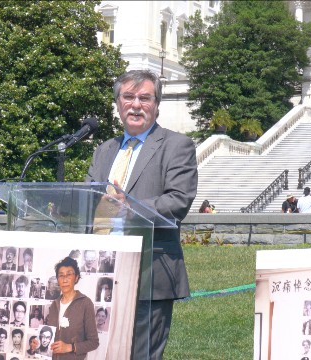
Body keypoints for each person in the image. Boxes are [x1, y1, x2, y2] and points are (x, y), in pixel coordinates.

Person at [85, 70, 197, 360]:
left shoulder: (176, 146)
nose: (136, 105)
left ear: (156, 104)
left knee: (141, 355)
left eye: (144, 98)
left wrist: (131, 206)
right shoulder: (103, 151)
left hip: (150, 269)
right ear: (118, 104)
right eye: (128, 97)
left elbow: (179, 200)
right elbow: (87, 200)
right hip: (100, 270)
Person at [46, 256, 99, 359]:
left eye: (69, 274)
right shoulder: (54, 305)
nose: (65, 279)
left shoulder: (85, 303)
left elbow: (94, 342)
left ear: (76, 278)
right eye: (61, 276)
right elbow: (50, 337)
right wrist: (37, 344)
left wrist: (70, 347)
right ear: (58, 279)